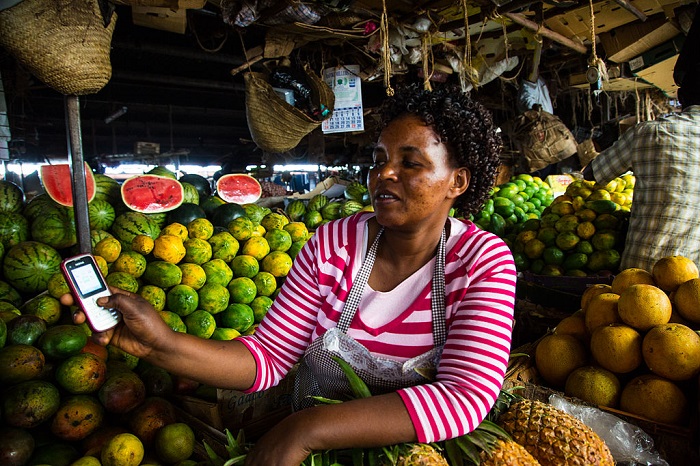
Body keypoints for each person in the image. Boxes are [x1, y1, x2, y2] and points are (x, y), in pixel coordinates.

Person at [64, 84, 516, 465]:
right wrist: (161, 344)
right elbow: (267, 359)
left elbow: (464, 397)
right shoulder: (334, 245)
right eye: (379, 159)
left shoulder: (482, 261)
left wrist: (305, 429)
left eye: (411, 163)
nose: (384, 174)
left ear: (457, 181)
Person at [582, 13, 700, 272]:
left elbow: (592, 174)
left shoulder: (650, 133)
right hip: (693, 290)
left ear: (680, 95)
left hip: (638, 280)